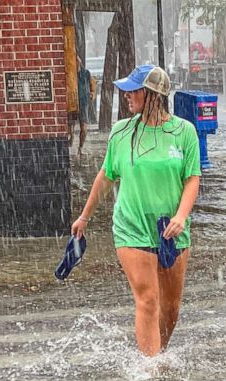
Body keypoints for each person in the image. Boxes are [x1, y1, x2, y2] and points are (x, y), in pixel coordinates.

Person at [72, 65, 202, 357]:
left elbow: (192, 178)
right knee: (147, 299)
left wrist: (181, 216)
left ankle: (159, 350)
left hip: (172, 229)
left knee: (170, 306)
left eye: (134, 90)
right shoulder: (122, 132)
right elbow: (106, 175)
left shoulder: (184, 132)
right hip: (131, 226)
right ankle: (151, 366)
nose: (127, 95)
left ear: (153, 94)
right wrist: (84, 216)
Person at [70, 57, 93, 156]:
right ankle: (71, 138)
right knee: (70, 128)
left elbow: (92, 84)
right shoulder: (70, 73)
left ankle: (80, 148)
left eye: (77, 61)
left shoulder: (86, 73)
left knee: (84, 128)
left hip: (83, 104)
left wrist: (92, 93)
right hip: (72, 104)